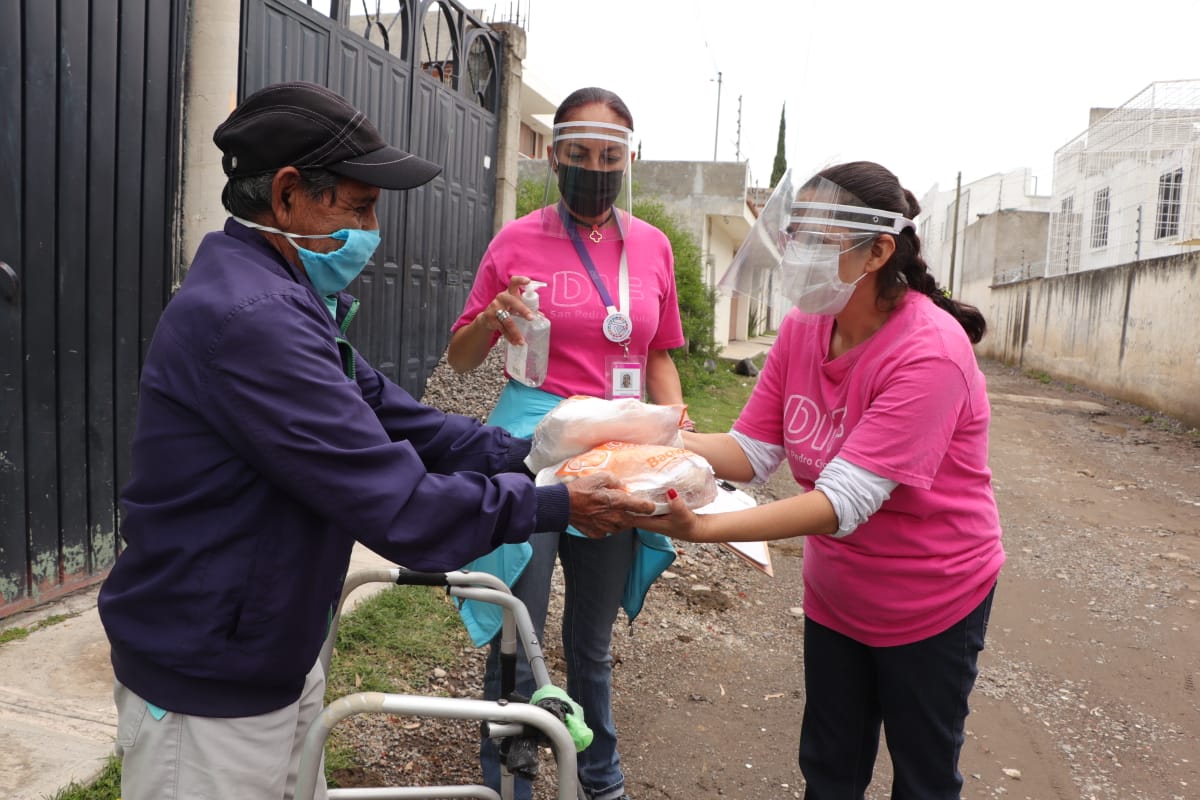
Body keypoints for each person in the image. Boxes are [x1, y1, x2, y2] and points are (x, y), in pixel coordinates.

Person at [96, 80, 654, 800]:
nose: (371, 228)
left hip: (264, 648)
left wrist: (541, 452)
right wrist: (554, 503)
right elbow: (400, 506)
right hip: (209, 682)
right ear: (290, 194)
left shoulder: (289, 299)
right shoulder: (253, 319)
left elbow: (401, 420)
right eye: (358, 206)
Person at [638, 161, 1005, 799]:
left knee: (923, 777)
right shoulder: (807, 326)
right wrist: (646, 435)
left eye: (816, 237)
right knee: (830, 771)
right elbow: (752, 450)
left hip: (932, 599)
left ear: (879, 250)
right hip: (839, 597)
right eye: (794, 234)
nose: (795, 253)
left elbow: (842, 501)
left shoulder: (930, 351)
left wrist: (705, 526)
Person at [445, 87, 690, 800]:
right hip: (530, 449)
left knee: (592, 640)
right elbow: (461, 359)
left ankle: (599, 780)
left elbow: (659, 355)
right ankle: (509, 781)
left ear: (629, 160)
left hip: (616, 449)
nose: (594, 167)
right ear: (554, 155)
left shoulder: (652, 247)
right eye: (578, 153)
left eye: (609, 155)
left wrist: (677, 432)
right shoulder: (516, 239)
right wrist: (490, 319)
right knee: (516, 629)